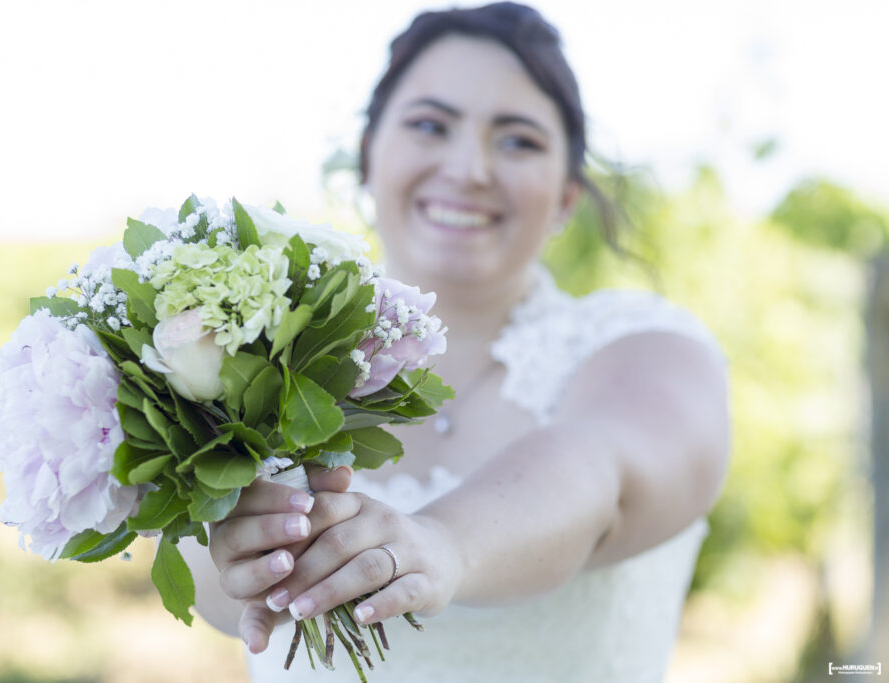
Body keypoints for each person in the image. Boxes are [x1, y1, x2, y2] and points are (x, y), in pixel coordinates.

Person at [178, 3, 729, 681]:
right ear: (367, 159)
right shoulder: (253, 360)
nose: (469, 168)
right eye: (430, 125)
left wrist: (441, 543)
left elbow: (600, 469)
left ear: (565, 197)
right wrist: (243, 559)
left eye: (519, 140)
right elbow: (212, 591)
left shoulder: (645, 346)